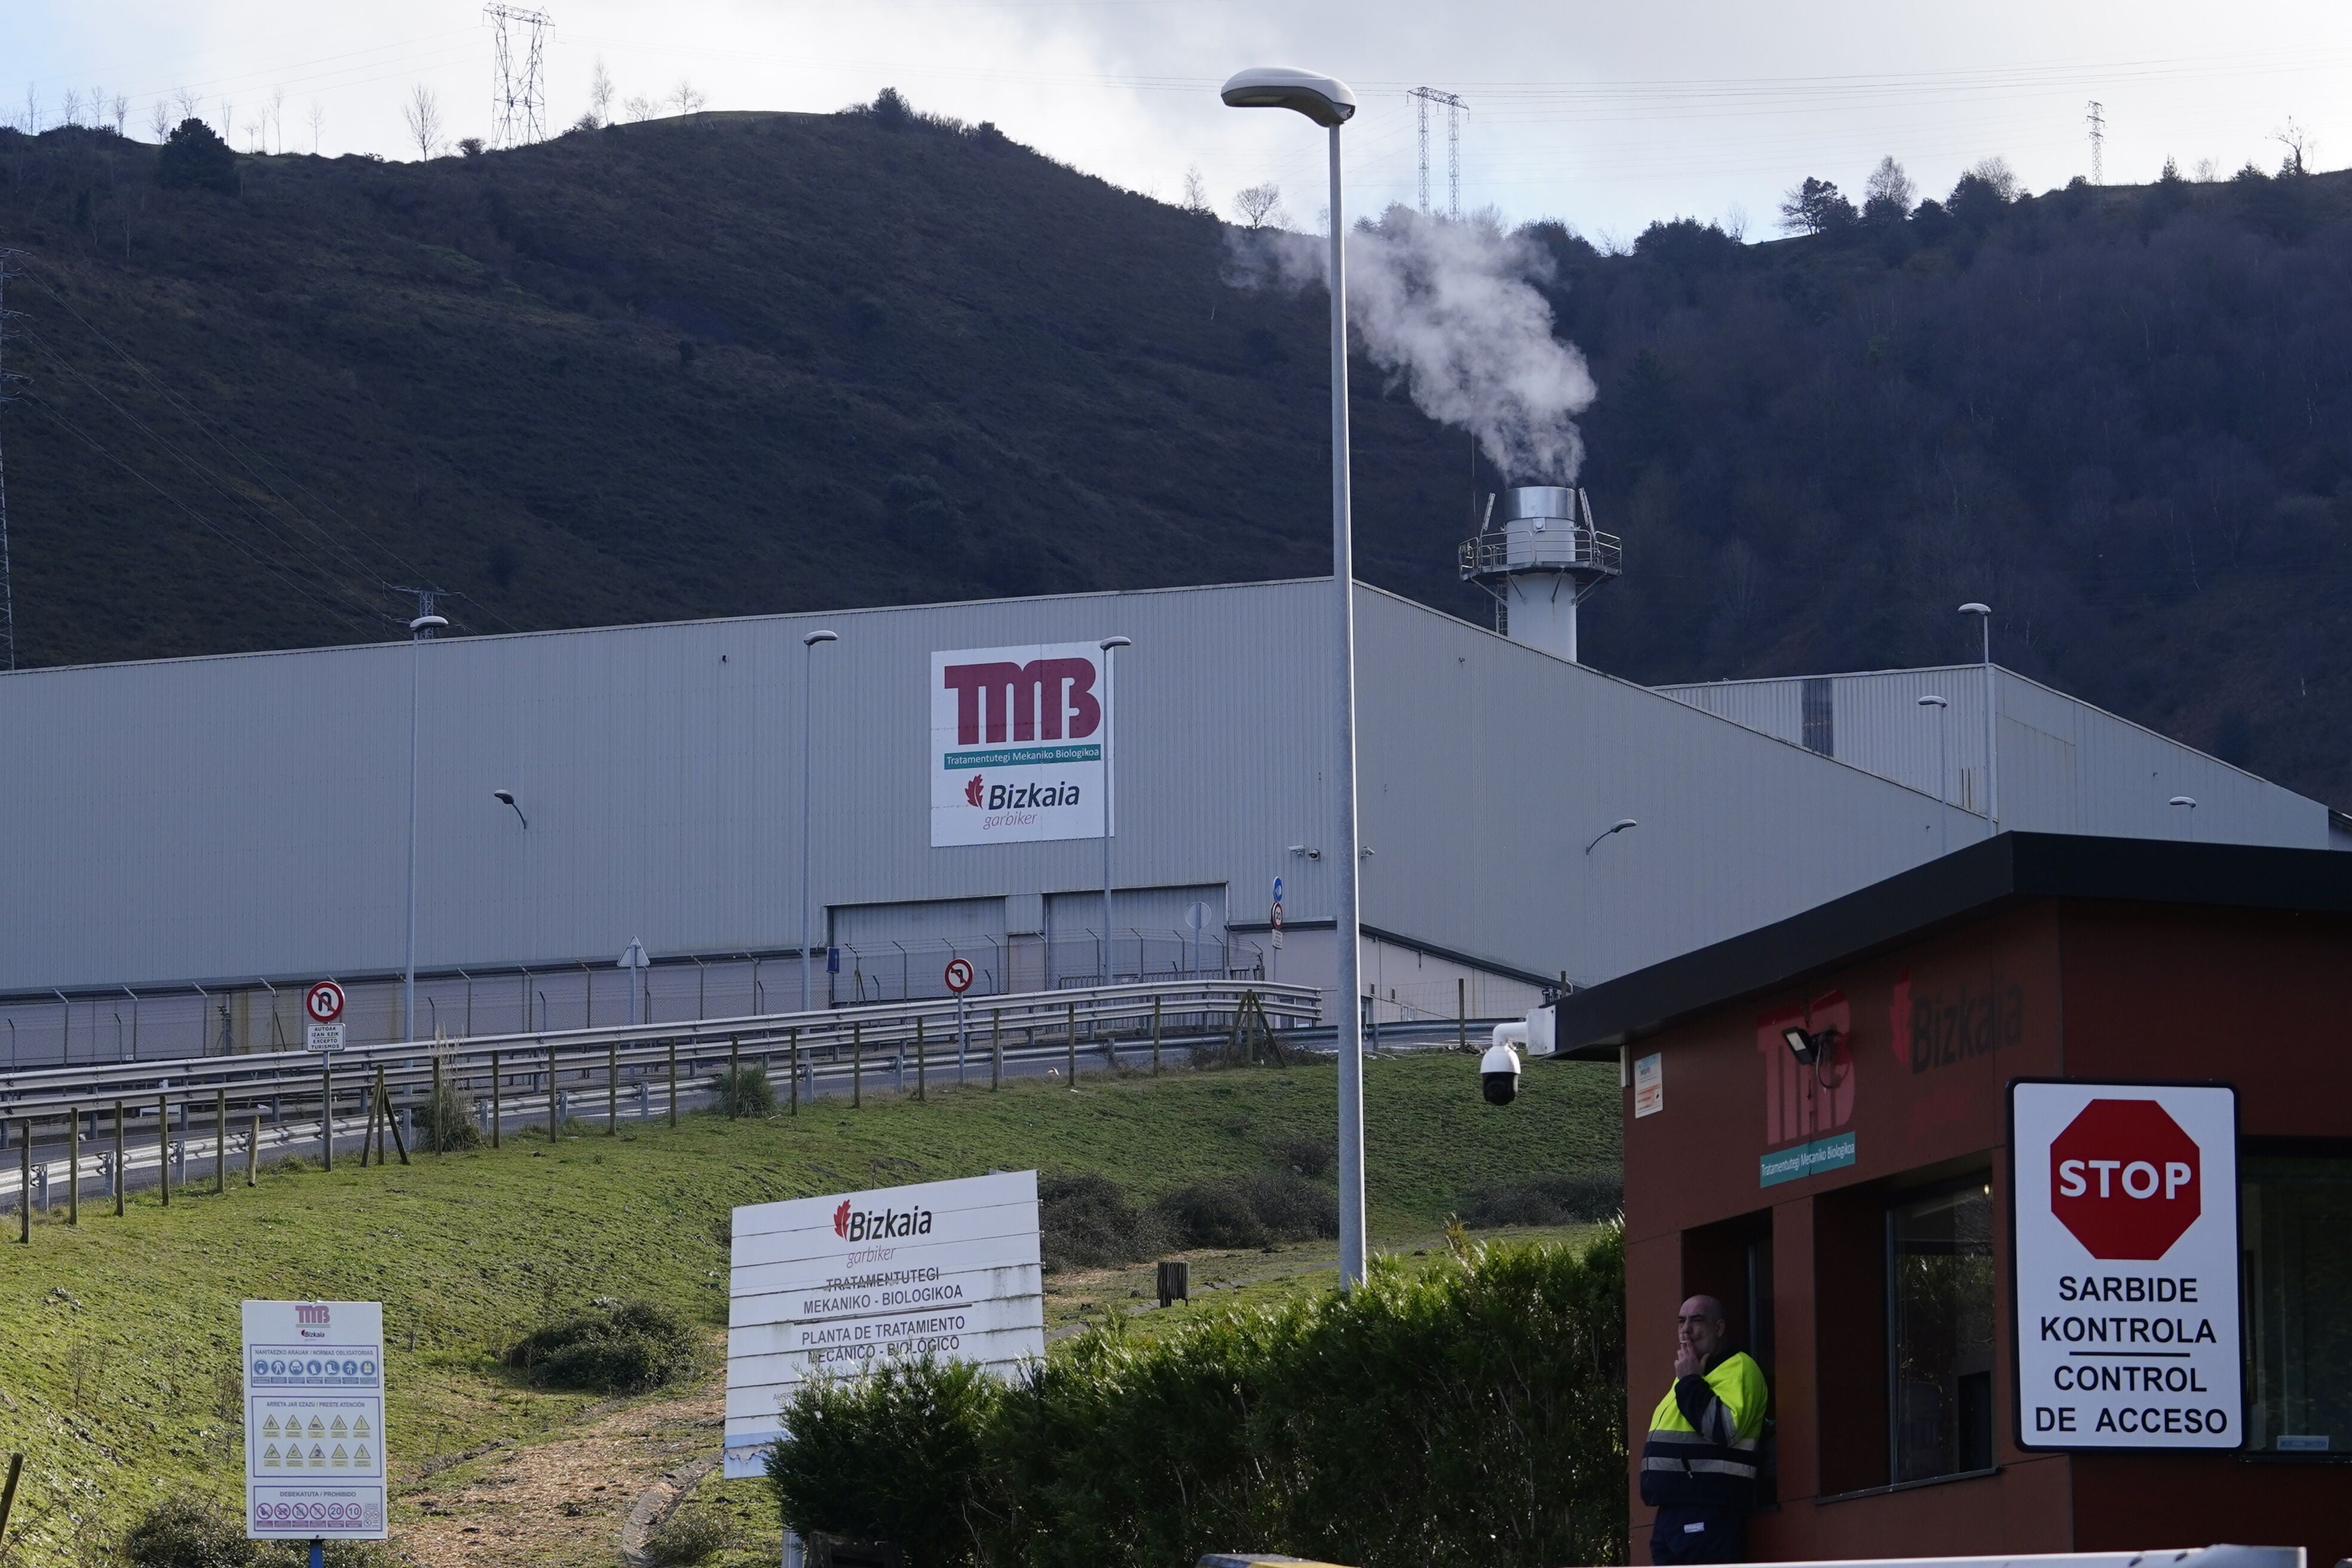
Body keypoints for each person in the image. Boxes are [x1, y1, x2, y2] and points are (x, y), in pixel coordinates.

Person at [1640, 1294, 1768, 1564]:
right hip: (1673, 1511)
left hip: (1709, 1508)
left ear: (1719, 1328)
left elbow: (1724, 1429)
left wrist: (1689, 1381)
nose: (1686, 1329)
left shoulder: (1739, 1368)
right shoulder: (1696, 1374)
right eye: (1681, 1321)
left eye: (1697, 1321)